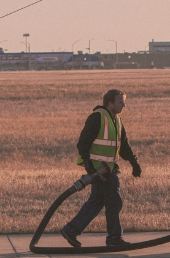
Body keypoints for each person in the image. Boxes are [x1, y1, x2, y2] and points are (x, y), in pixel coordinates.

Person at [60, 89, 142, 248]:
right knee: (114, 202)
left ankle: (71, 230)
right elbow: (83, 143)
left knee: (97, 201)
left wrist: (134, 163)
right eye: (120, 102)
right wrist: (89, 165)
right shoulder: (97, 118)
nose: (124, 105)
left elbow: (124, 146)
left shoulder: (117, 120)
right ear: (110, 103)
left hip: (108, 169)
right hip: (99, 170)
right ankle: (114, 238)